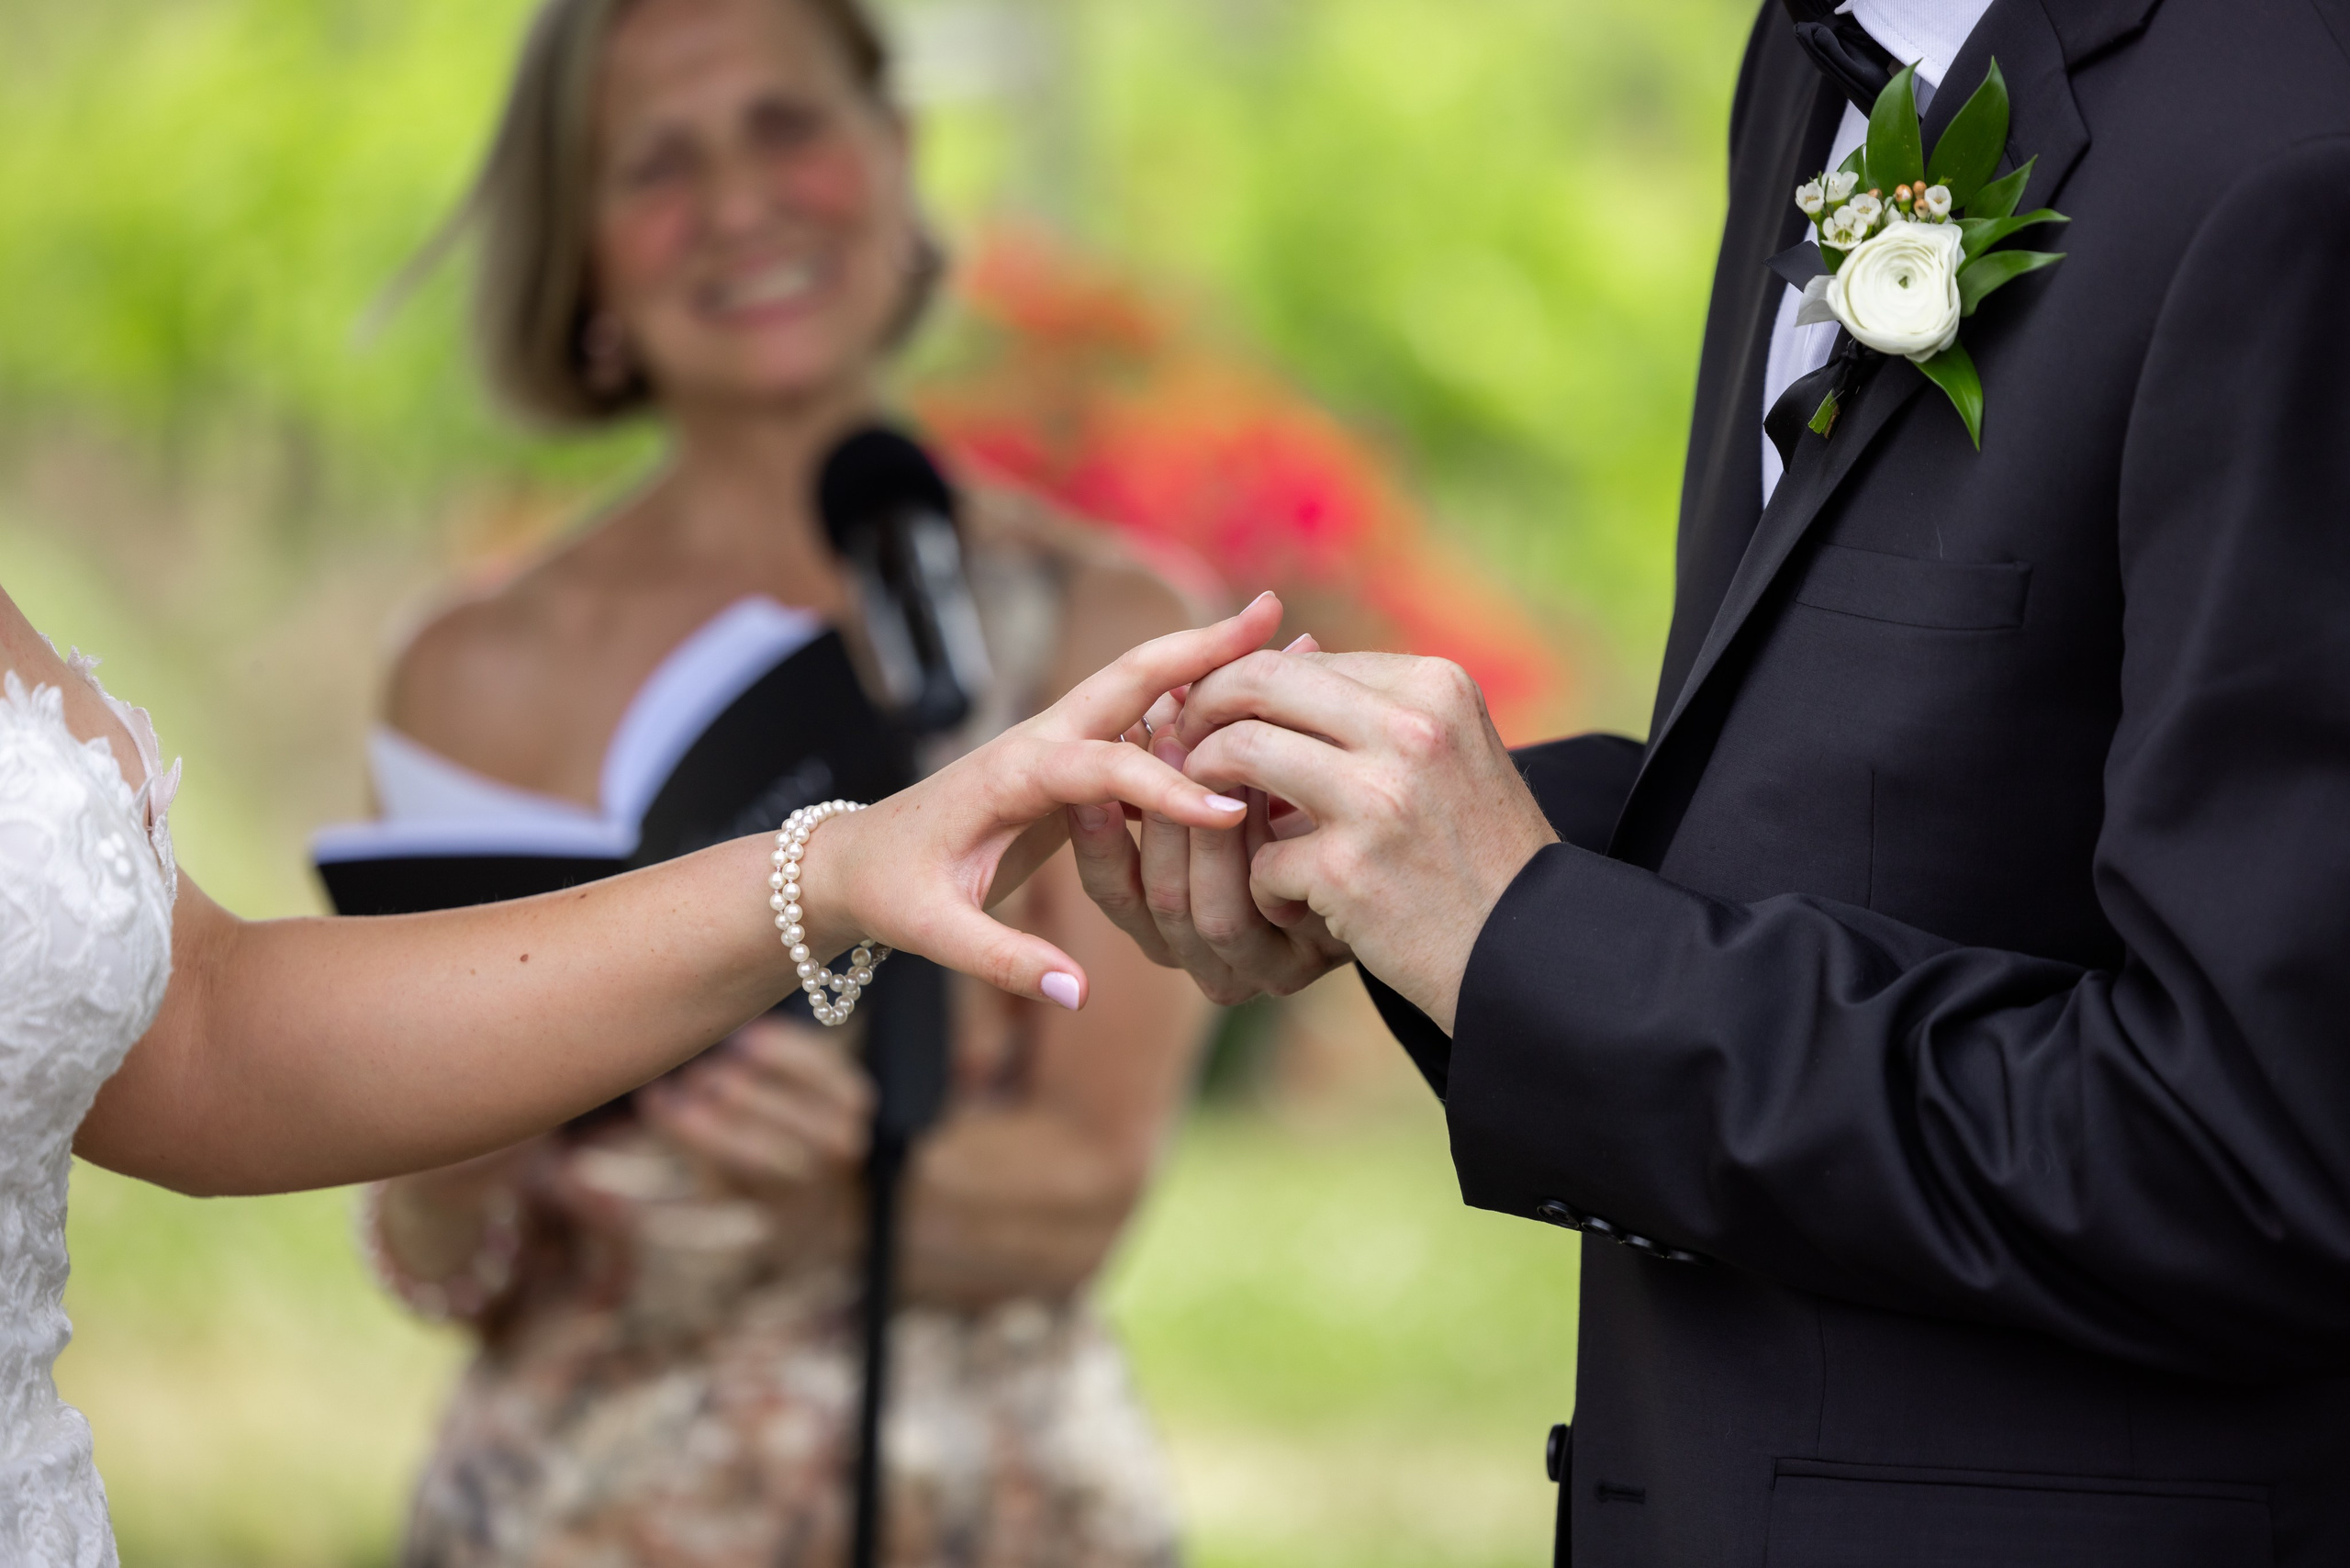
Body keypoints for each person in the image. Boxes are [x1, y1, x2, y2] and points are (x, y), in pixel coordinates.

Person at [1075, 0, 2350, 1562]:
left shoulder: (2293, 145)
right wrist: (1386, 846)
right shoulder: (1813, 56)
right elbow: (1894, 824)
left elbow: (2261, 1155)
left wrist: (1534, 940)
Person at [347, 0, 1207, 1562]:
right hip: (581, 1507)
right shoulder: (478, 673)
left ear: (895, 156)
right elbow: (431, 1256)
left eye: (786, 126)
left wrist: (858, 1183)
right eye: (659, 162)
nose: (739, 203)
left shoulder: (1102, 631)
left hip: (987, 1501)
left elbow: (1088, 1187)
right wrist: (465, 1157)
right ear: (584, 257)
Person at [0, 569, 1276, 1566]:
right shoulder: (483, 650)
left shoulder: (1067, 601)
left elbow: (207, 1034)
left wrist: (837, 874)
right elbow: (412, 1231)